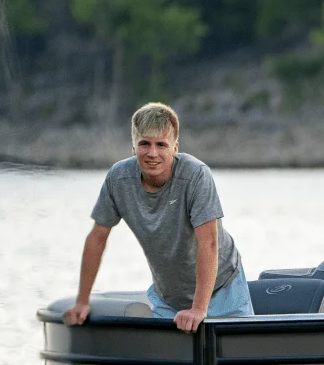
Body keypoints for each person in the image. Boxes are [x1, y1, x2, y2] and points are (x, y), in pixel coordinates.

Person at [64, 102, 254, 331]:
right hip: (169, 297)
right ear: (133, 146)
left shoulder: (196, 175)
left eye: (161, 144)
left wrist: (198, 309)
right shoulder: (118, 179)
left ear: (175, 148)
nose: (152, 153)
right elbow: (97, 238)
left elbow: (209, 243)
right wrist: (82, 301)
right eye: (144, 143)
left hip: (224, 288)